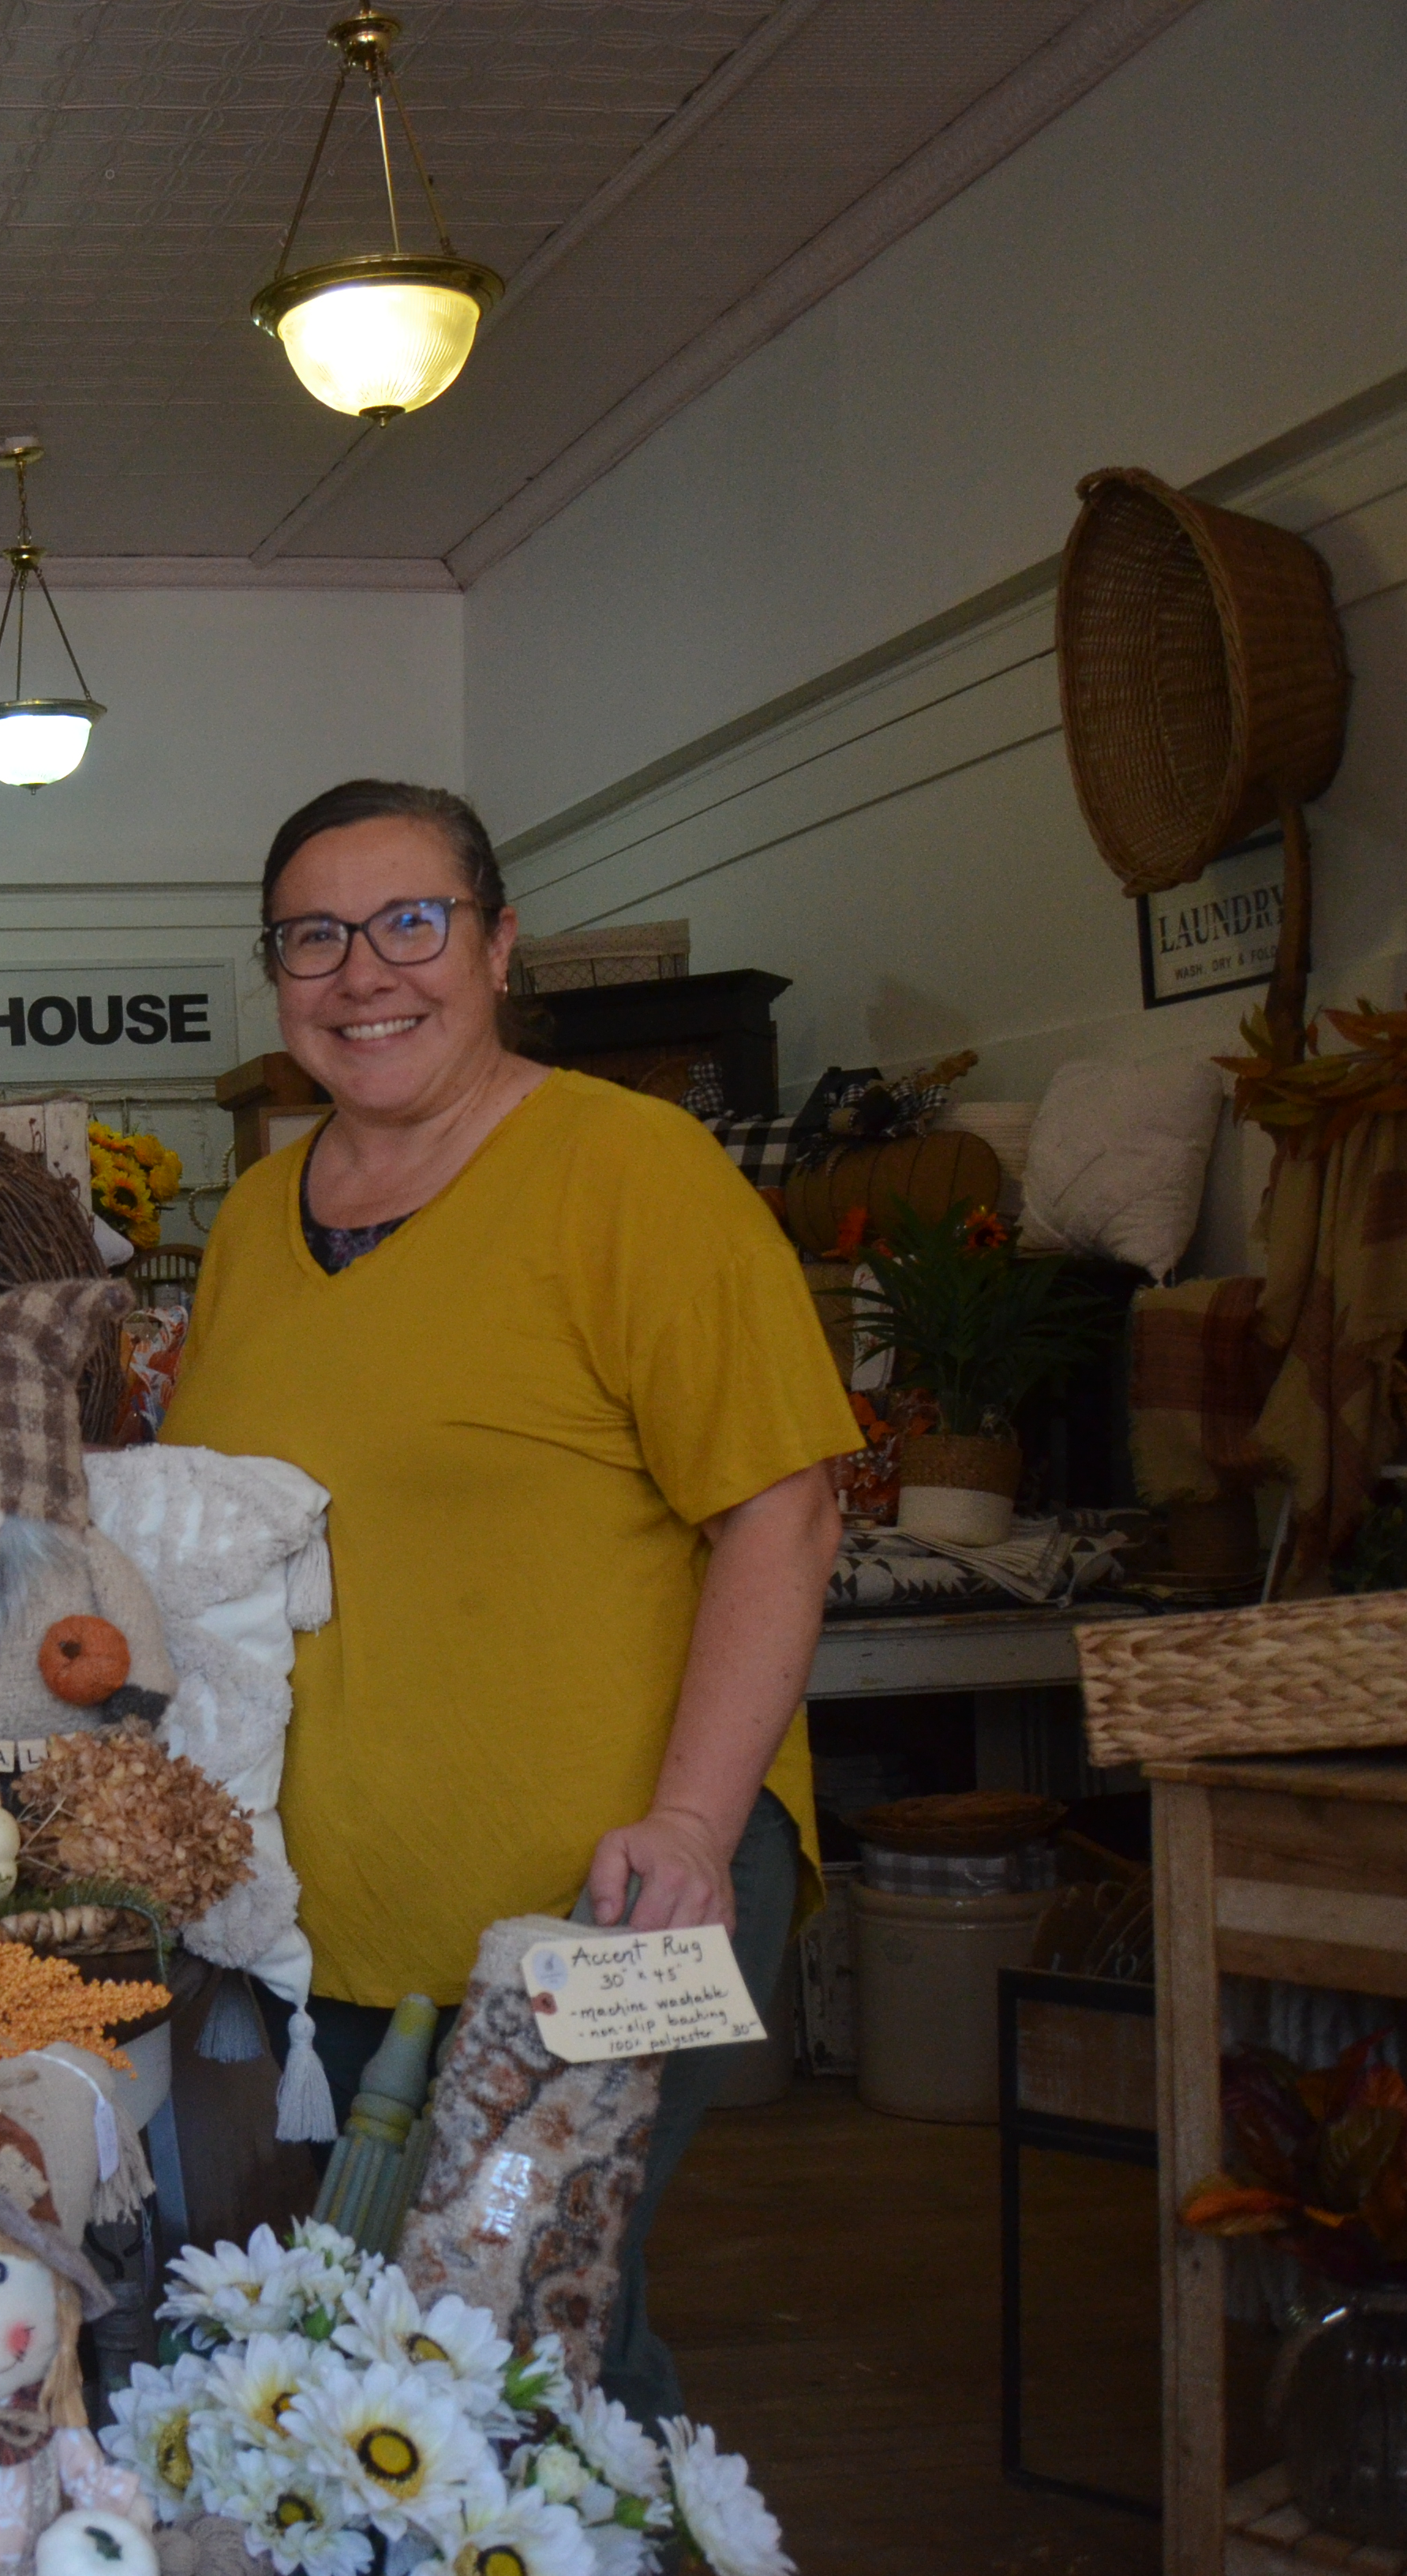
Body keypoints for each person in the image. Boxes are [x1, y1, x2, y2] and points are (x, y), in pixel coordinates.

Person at [158, 777, 852, 2422]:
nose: (363, 973)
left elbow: (786, 1506)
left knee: (528, 2336)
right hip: (326, 1929)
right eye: (313, 937)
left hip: (602, 1900)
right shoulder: (257, 1219)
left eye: (412, 923)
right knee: (387, 2364)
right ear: (276, 973)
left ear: (497, 944)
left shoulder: (629, 1170)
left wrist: (691, 1826)